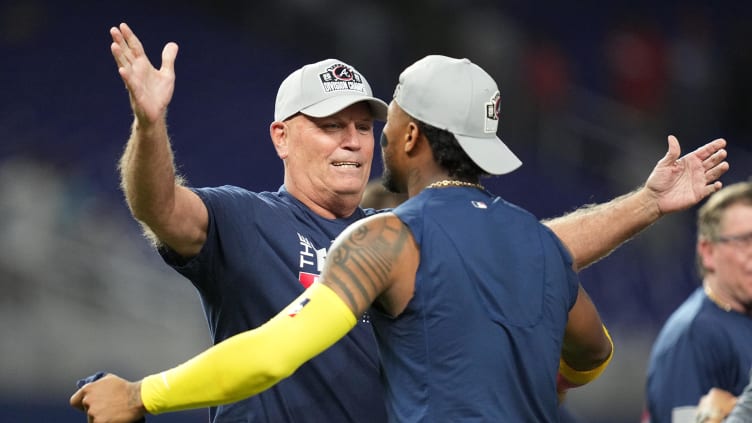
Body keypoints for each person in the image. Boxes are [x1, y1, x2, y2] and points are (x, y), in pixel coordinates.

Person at [81, 22, 728, 423]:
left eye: (365, 126)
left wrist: (644, 203)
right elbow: (158, 205)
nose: (354, 141)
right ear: (280, 136)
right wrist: (149, 124)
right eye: (331, 124)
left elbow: (538, 248)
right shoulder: (243, 218)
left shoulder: (393, 232)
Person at [645, 181, 752, 423]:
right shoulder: (695, 333)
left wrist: (735, 408)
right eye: (745, 241)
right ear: (707, 251)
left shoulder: (741, 317)